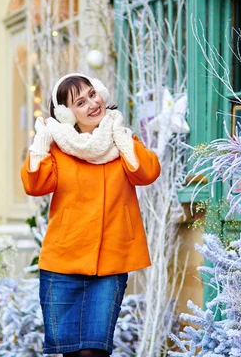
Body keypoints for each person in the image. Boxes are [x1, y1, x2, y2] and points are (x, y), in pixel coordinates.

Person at [20, 73, 161, 357]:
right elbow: (34, 186)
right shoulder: (58, 150)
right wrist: (41, 145)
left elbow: (147, 173)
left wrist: (122, 138)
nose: (91, 104)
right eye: (79, 102)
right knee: (71, 353)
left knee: (94, 352)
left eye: (92, 94)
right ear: (66, 115)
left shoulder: (122, 140)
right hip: (63, 265)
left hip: (110, 264)